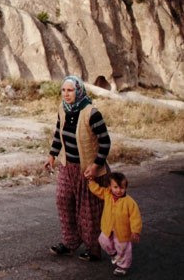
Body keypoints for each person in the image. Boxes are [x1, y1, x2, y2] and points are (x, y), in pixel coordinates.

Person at [44, 75, 111, 261]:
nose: (66, 94)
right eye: (64, 90)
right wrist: (52, 155)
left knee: (88, 210)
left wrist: (97, 166)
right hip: (67, 166)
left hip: (88, 170)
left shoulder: (92, 112)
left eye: (70, 90)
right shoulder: (62, 109)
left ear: (79, 91)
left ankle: (93, 249)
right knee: (63, 200)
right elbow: (59, 134)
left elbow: (105, 142)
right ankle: (70, 242)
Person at [89, 172, 142, 277]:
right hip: (108, 227)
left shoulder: (130, 202)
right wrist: (91, 182)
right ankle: (113, 253)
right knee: (102, 240)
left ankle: (123, 266)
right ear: (110, 187)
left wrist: (135, 231)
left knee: (123, 248)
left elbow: (135, 218)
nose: (118, 190)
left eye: (122, 187)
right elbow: (97, 190)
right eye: (115, 187)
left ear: (126, 187)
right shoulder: (107, 194)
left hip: (123, 231)